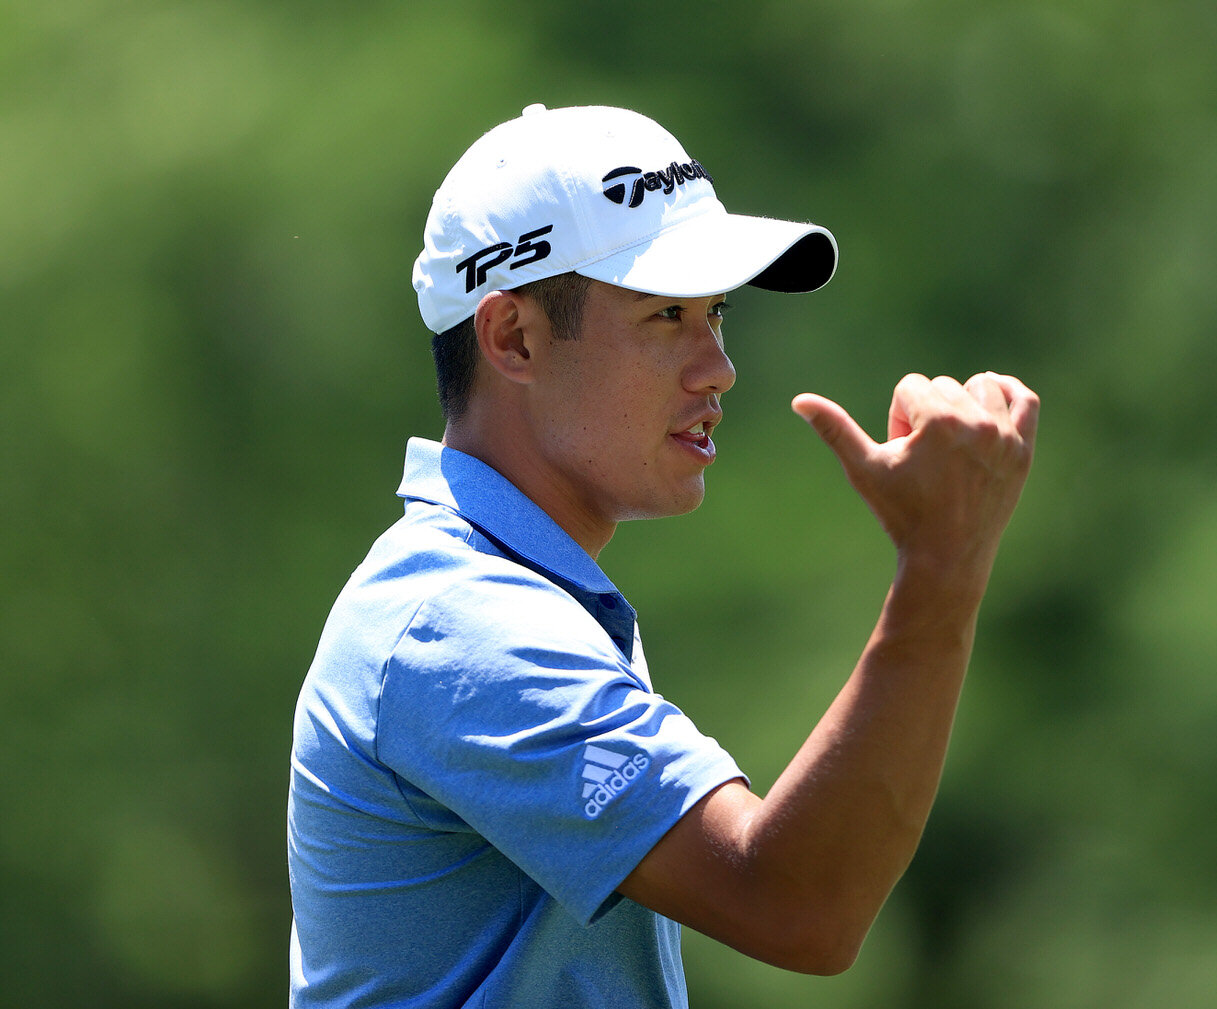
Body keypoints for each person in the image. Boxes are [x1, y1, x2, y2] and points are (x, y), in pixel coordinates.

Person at [287, 102, 1038, 1009]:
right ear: (513, 337)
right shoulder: (460, 624)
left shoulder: (508, 591)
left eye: (715, 312)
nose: (717, 365)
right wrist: (941, 567)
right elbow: (798, 905)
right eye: (666, 314)